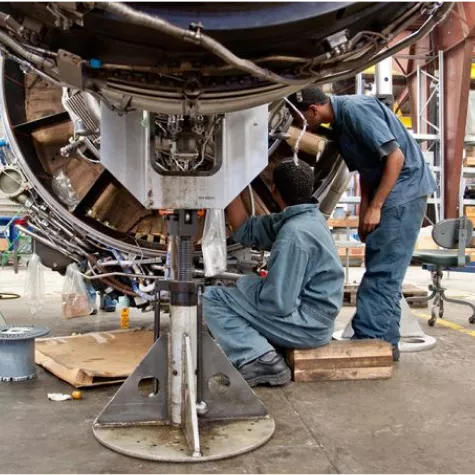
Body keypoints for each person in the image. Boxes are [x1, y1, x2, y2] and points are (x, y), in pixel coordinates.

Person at [287, 87, 437, 360]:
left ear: (313, 110)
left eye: (300, 119)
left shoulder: (356, 110)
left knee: (381, 276)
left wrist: (377, 206)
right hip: (387, 193)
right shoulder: (339, 125)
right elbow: (368, 171)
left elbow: (396, 157)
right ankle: (386, 346)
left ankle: (367, 344)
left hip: (403, 193)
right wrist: (364, 211)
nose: (300, 125)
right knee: (383, 271)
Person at [204, 160, 344, 387]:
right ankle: (264, 347)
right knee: (235, 294)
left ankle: (261, 360)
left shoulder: (294, 234)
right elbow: (246, 228)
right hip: (315, 318)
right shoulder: (307, 219)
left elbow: (277, 304)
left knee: (214, 298)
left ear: (274, 190)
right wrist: (227, 180)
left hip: (308, 325)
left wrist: (246, 284)